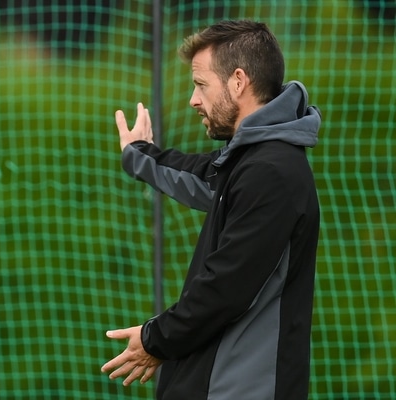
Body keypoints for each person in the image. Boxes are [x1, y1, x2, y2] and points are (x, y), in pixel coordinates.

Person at [100, 20, 321, 399]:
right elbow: (202, 177)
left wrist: (155, 339)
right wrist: (139, 154)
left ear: (238, 81)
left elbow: (225, 287)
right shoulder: (251, 163)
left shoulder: (272, 173)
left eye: (201, 85)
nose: (193, 99)